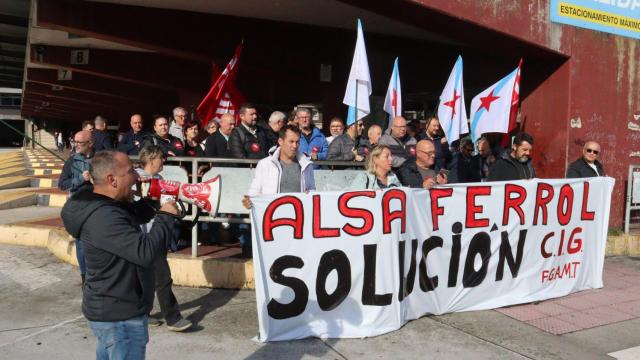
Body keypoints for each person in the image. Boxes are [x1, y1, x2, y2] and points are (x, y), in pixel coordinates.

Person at [61, 150, 181, 359]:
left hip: (114, 309)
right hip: (119, 317)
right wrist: (166, 217)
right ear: (112, 180)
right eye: (130, 172)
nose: (136, 176)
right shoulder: (103, 217)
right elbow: (146, 253)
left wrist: (152, 200)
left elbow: (133, 215)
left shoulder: (106, 204)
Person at [135, 145, 193, 332]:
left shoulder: (159, 179)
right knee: (155, 278)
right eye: (161, 157)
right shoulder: (134, 177)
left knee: (156, 278)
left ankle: (154, 315)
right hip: (140, 236)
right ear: (151, 159)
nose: (163, 161)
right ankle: (169, 317)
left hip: (155, 235)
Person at [242, 125, 316, 257]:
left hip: (298, 223)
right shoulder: (265, 164)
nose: (295, 146)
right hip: (274, 221)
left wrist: (309, 196)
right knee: (273, 256)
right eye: (291, 141)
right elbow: (255, 189)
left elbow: (312, 190)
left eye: (297, 142)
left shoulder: (306, 164)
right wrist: (249, 200)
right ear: (280, 141)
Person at [59, 130, 94, 284]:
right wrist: (81, 178)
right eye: (75, 142)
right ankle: (84, 277)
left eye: (81, 143)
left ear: (90, 144)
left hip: (98, 206)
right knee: (81, 244)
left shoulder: (101, 158)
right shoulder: (71, 162)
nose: (77, 145)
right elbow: (62, 184)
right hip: (79, 207)